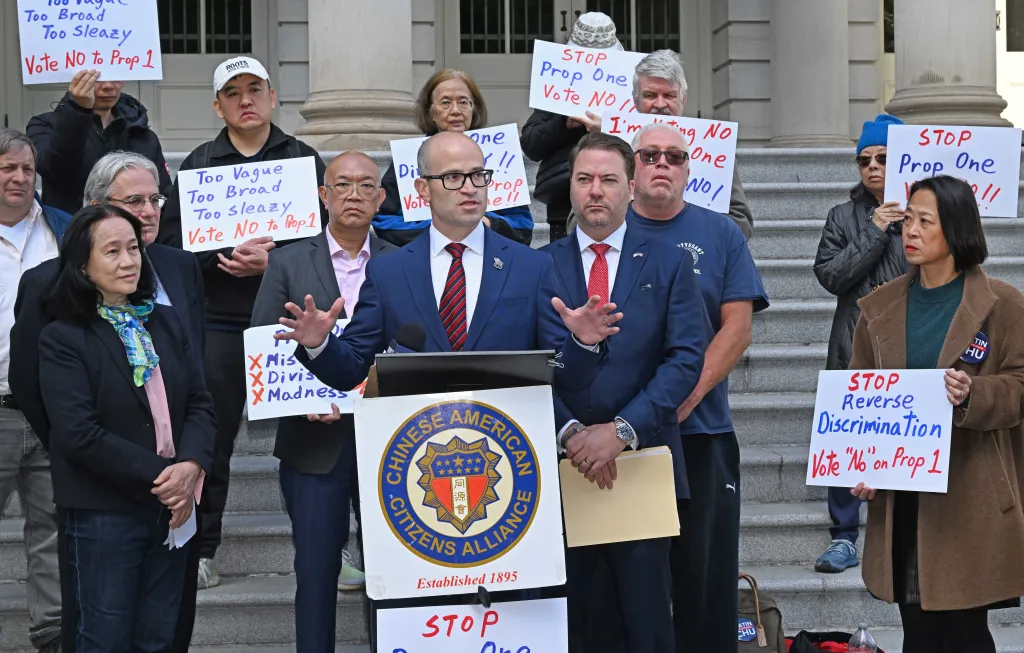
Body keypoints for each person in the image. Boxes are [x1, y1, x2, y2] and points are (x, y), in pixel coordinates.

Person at [277, 130, 618, 652]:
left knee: (513, 609)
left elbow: (563, 375)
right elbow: (352, 365)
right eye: (453, 177)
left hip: (510, 475)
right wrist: (321, 346)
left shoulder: (530, 265)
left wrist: (583, 344)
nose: (470, 188)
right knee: (425, 615)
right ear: (421, 189)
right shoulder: (390, 271)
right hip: (419, 479)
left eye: (479, 175)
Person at [11, 150, 208, 653]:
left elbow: (202, 401)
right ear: (83, 263)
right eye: (113, 251)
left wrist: (190, 465)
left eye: (133, 251)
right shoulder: (66, 335)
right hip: (105, 506)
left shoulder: (160, 320)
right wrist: (162, 475)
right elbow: (74, 429)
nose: (129, 260)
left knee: (160, 636)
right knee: (103, 637)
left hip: (173, 504)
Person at [157, 55, 329, 589]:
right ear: (217, 105)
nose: (246, 100)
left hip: (293, 321)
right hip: (222, 323)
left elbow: (326, 243)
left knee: (315, 439)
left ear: (274, 97)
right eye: (233, 93)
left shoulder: (304, 159)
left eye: (256, 89)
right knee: (213, 439)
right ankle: (204, 548)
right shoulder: (200, 164)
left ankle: (327, 548)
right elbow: (171, 245)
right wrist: (225, 255)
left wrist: (272, 262)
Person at [542, 132, 710, 653]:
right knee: (581, 624)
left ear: (631, 185)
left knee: (647, 623)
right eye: (585, 179)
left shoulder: (668, 262)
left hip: (642, 464)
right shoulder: (536, 267)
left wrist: (620, 431)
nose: (597, 191)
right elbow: (528, 365)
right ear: (569, 188)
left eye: (609, 180)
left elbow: (685, 360)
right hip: (562, 469)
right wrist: (572, 433)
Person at [849, 175, 1024, 653]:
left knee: (966, 632)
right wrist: (863, 464)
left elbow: (1020, 386)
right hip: (905, 493)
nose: (911, 231)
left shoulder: (1003, 304)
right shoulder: (879, 308)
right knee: (918, 630)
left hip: (972, 492)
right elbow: (862, 396)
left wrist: (973, 394)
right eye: (907, 219)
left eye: (925, 221)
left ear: (958, 230)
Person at [626, 123, 768, 652]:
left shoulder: (721, 233)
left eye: (674, 156)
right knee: (630, 583)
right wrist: (642, 414)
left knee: (705, 584)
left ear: (688, 169)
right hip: (623, 439)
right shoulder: (607, 237)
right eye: (650, 155)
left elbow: (738, 327)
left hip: (702, 431)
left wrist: (680, 399)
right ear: (632, 166)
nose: (662, 163)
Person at [251, 151, 396, 653]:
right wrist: (303, 399)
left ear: (380, 198)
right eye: (343, 184)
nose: (354, 194)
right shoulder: (289, 261)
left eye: (365, 186)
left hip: (390, 440)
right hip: (314, 442)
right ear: (323, 195)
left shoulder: (403, 259)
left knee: (392, 569)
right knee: (315, 571)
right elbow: (264, 341)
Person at [812, 114, 907, 574]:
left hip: (912, 341)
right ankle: (844, 537)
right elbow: (831, 276)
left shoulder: (927, 214)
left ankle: (906, 531)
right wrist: (874, 230)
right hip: (853, 341)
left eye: (883, 158)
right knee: (846, 438)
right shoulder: (842, 216)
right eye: (864, 159)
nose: (872, 167)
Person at [0, 129, 69, 653]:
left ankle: (52, 634)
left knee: (50, 529)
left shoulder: (63, 231)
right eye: (7, 169)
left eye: (26, 169)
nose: (19, 178)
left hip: (51, 411)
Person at [374, 69, 534, 246]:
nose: (456, 110)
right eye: (445, 103)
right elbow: (384, 221)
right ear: (431, 112)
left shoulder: (500, 155)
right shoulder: (407, 159)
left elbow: (523, 227)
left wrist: (487, 224)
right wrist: (441, 229)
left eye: (464, 102)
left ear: (475, 109)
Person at [520, 12, 622, 242]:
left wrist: (606, 129)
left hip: (618, 206)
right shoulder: (556, 94)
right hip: (563, 206)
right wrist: (563, 122)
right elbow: (531, 145)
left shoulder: (628, 92)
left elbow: (640, 143)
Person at [26, 69, 173, 215]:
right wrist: (79, 110)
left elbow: (163, 196)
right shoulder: (44, 126)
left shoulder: (142, 135)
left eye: (116, 76)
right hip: (72, 233)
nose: (108, 85)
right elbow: (55, 168)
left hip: (133, 235)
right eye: (96, 78)